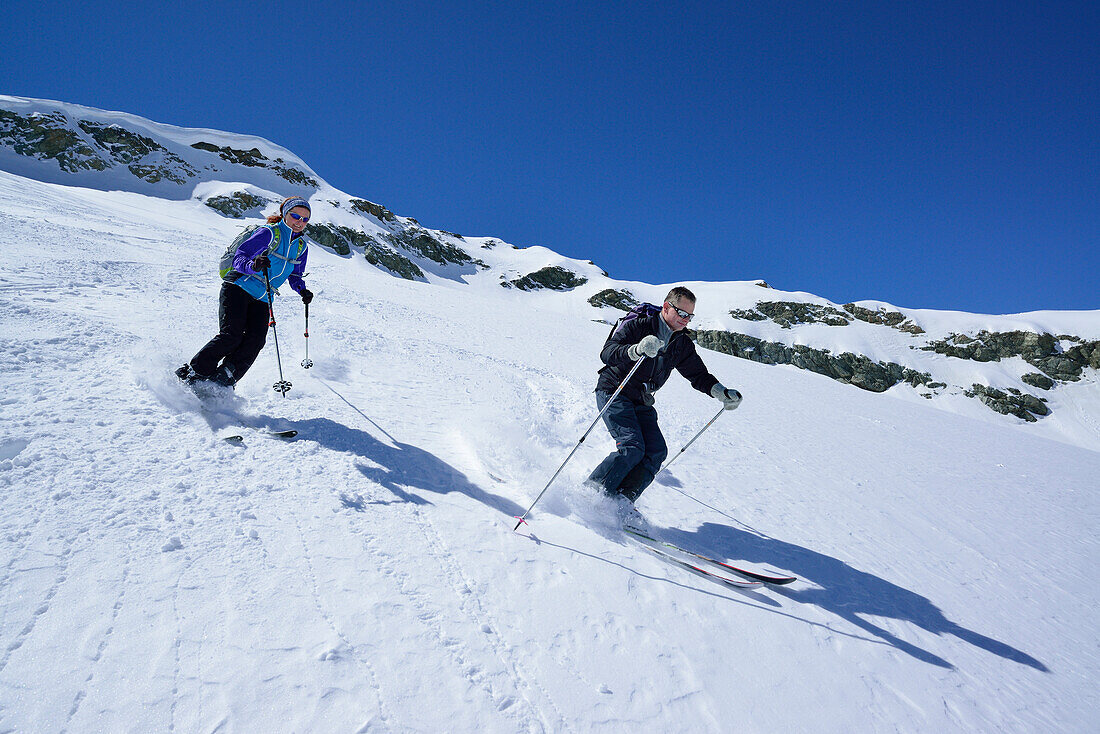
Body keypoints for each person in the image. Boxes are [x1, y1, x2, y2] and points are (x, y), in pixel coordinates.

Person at [587, 286, 742, 513]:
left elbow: (697, 374)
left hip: (641, 399)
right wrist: (636, 350)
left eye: (690, 316)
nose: (686, 320)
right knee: (632, 446)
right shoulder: (640, 325)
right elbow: (608, 352)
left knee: (656, 451)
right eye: (682, 313)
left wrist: (721, 392)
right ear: (667, 307)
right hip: (615, 389)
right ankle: (593, 494)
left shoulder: (681, 343)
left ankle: (621, 502)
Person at [176, 196, 315, 388]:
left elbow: (295, 275)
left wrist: (302, 290)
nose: (300, 222)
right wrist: (254, 265)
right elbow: (239, 258)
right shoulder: (269, 233)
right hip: (239, 286)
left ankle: (222, 380)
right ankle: (194, 372)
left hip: (264, 297)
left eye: (305, 219)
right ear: (285, 214)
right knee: (231, 335)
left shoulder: (301, 247)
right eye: (295, 216)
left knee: (255, 341)